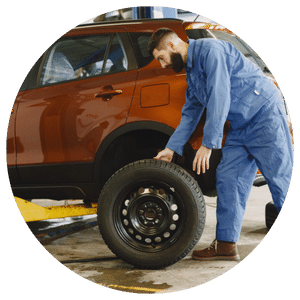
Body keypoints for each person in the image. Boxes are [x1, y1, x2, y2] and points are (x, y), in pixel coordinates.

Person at [148, 28, 293, 261]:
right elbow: (191, 113)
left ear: (172, 46)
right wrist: (171, 148)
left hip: (264, 115)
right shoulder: (192, 72)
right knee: (228, 178)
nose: (163, 64)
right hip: (240, 125)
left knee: (280, 178)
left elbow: (220, 95)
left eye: (161, 58)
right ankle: (225, 245)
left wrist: (209, 143)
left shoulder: (211, 51)